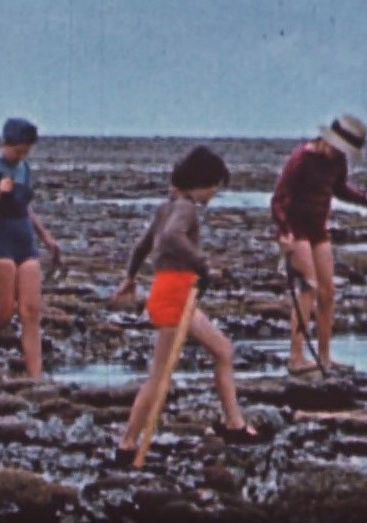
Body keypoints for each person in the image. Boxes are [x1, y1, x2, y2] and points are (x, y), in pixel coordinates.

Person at [111, 146, 267, 465]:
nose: (213, 195)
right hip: (173, 292)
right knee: (159, 376)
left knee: (223, 350)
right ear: (201, 183)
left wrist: (129, 277)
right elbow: (170, 238)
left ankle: (234, 424)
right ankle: (127, 445)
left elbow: (143, 246)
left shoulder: (166, 207)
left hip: (178, 291)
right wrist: (203, 265)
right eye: (213, 188)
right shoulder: (186, 208)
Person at [270, 114, 367, 375]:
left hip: (318, 229)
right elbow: (279, 199)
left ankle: (324, 357)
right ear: (328, 139)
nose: (340, 154)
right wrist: (283, 233)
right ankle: (296, 358)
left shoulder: (337, 161)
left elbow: (339, 188)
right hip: (295, 229)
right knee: (308, 289)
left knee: (327, 293)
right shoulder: (301, 159)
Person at [0, 117, 59, 379]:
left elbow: (25, 206)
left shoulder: (23, 168)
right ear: (6, 143)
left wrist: (45, 236)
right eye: (19, 150)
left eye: (26, 151)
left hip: (24, 243)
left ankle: (36, 378)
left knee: (31, 312)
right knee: (3, 314)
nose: (22, 155)